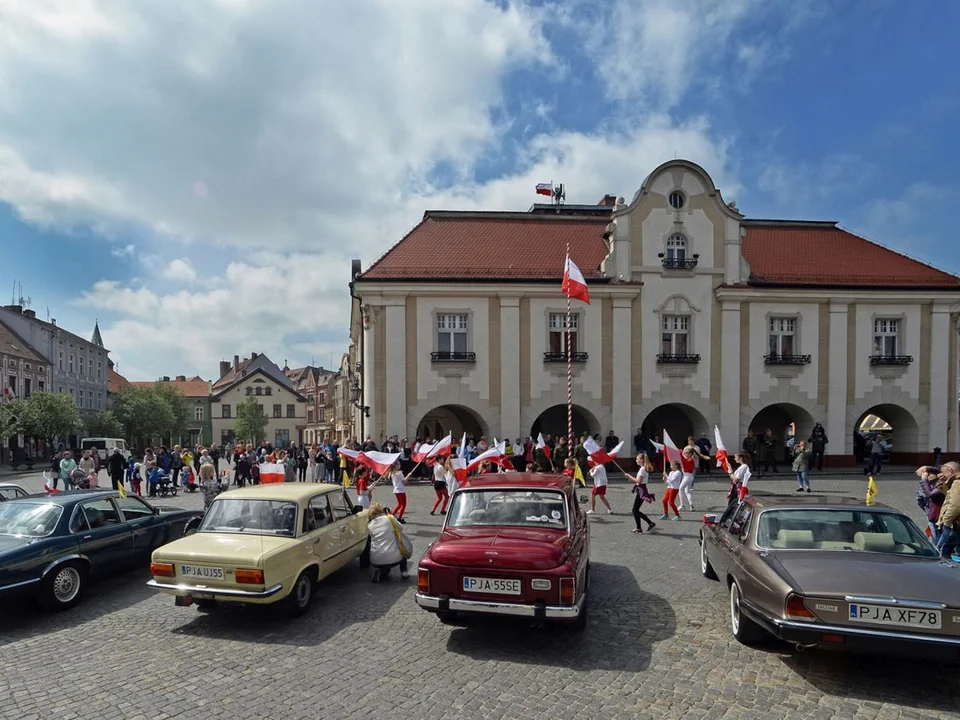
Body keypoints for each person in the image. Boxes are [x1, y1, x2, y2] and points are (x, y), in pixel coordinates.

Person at [366, 503, 412, 582]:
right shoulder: (389, 518)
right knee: (402, 549)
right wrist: (391, 516)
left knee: (384, 566)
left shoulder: (369, 525)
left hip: (375, 559)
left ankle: (380, 573)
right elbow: (401, 528)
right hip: (392, 557)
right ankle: (404, 572)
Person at [625, 453, 656, 534]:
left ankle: (640, 527)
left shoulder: (642, 469)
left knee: (634, 510)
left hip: (641, 491)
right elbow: (638, 483)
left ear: (641, 460)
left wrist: (629, 476)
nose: (636, 460)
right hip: (640, 489)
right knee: (636, 510)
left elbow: (639, 481)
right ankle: (649, 523)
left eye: (637, 459)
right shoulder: (642, 468)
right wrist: (634, 487)